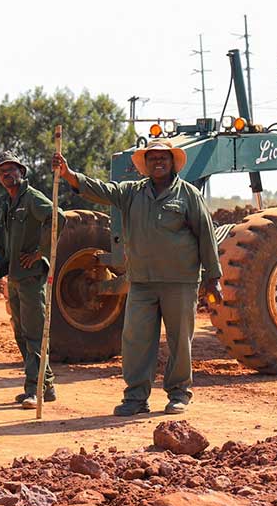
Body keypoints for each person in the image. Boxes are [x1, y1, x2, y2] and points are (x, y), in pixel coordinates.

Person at [52, 139, 222, 416]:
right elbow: (102, 191)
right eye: (152, 158)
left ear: (172, 162)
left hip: (179, 281)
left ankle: (178, 394)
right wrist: (70, 176)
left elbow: (205, 235)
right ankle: (135, 397)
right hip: (141, 281)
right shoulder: (132, 193)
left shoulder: (188, 195)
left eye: (162, 158)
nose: (157, 162)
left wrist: (213, 277)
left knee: (180, 341)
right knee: (135, 339)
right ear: (145, 164)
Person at [0, 151, 64, 409]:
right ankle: (48, 384)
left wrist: (40, 253)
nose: (7, 175)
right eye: (2, 172)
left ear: (21, 172)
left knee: (34, 334)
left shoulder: (32, 198)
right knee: (21, 334)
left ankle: (33, 389)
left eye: (11, 170)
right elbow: (3, 241)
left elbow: (59, 218)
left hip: (31, 277)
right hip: (13, 277)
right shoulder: (6, 202)